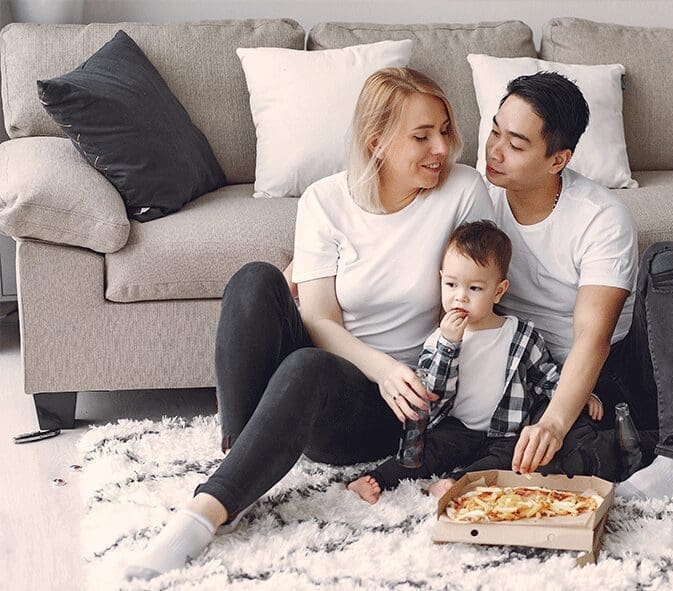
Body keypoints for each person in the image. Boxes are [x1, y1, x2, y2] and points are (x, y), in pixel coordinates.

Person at [124, 67, 494, 580]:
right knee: (254, 280)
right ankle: (242, 451)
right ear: (378, 141)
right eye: (422, 135)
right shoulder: (325, 200)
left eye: (445, 130)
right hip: (358, 367)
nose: (441, 147)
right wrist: (381, 366)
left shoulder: (462, 191)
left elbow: (483, 294)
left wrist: (407, 377)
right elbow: (318, 318)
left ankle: (204, 513)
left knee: (306, 368)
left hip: (392, 408)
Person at [482, 72, 673, 501]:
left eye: (515, 144)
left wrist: (553, 421)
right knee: (544, 461)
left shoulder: (599, 216)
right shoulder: (478, 201)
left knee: (669, 262)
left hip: (613, 372)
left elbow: (593, 337)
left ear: (557, 159)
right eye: (494, 131)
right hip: (532, 373)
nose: (495, 151)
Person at [347, 220, 604, 503]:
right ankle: (377, 479)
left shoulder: (520, 335)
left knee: (511, 462)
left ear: (498, 290)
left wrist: (581, 396)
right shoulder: (438, 339)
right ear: (441, 278)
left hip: (506, 431)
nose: (460, 296)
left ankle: (456, 483)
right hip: (457, 427)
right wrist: (449, 345)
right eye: (451, 284)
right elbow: (432, 394)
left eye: (475, 288)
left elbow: (546, 377)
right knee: (425, 450)